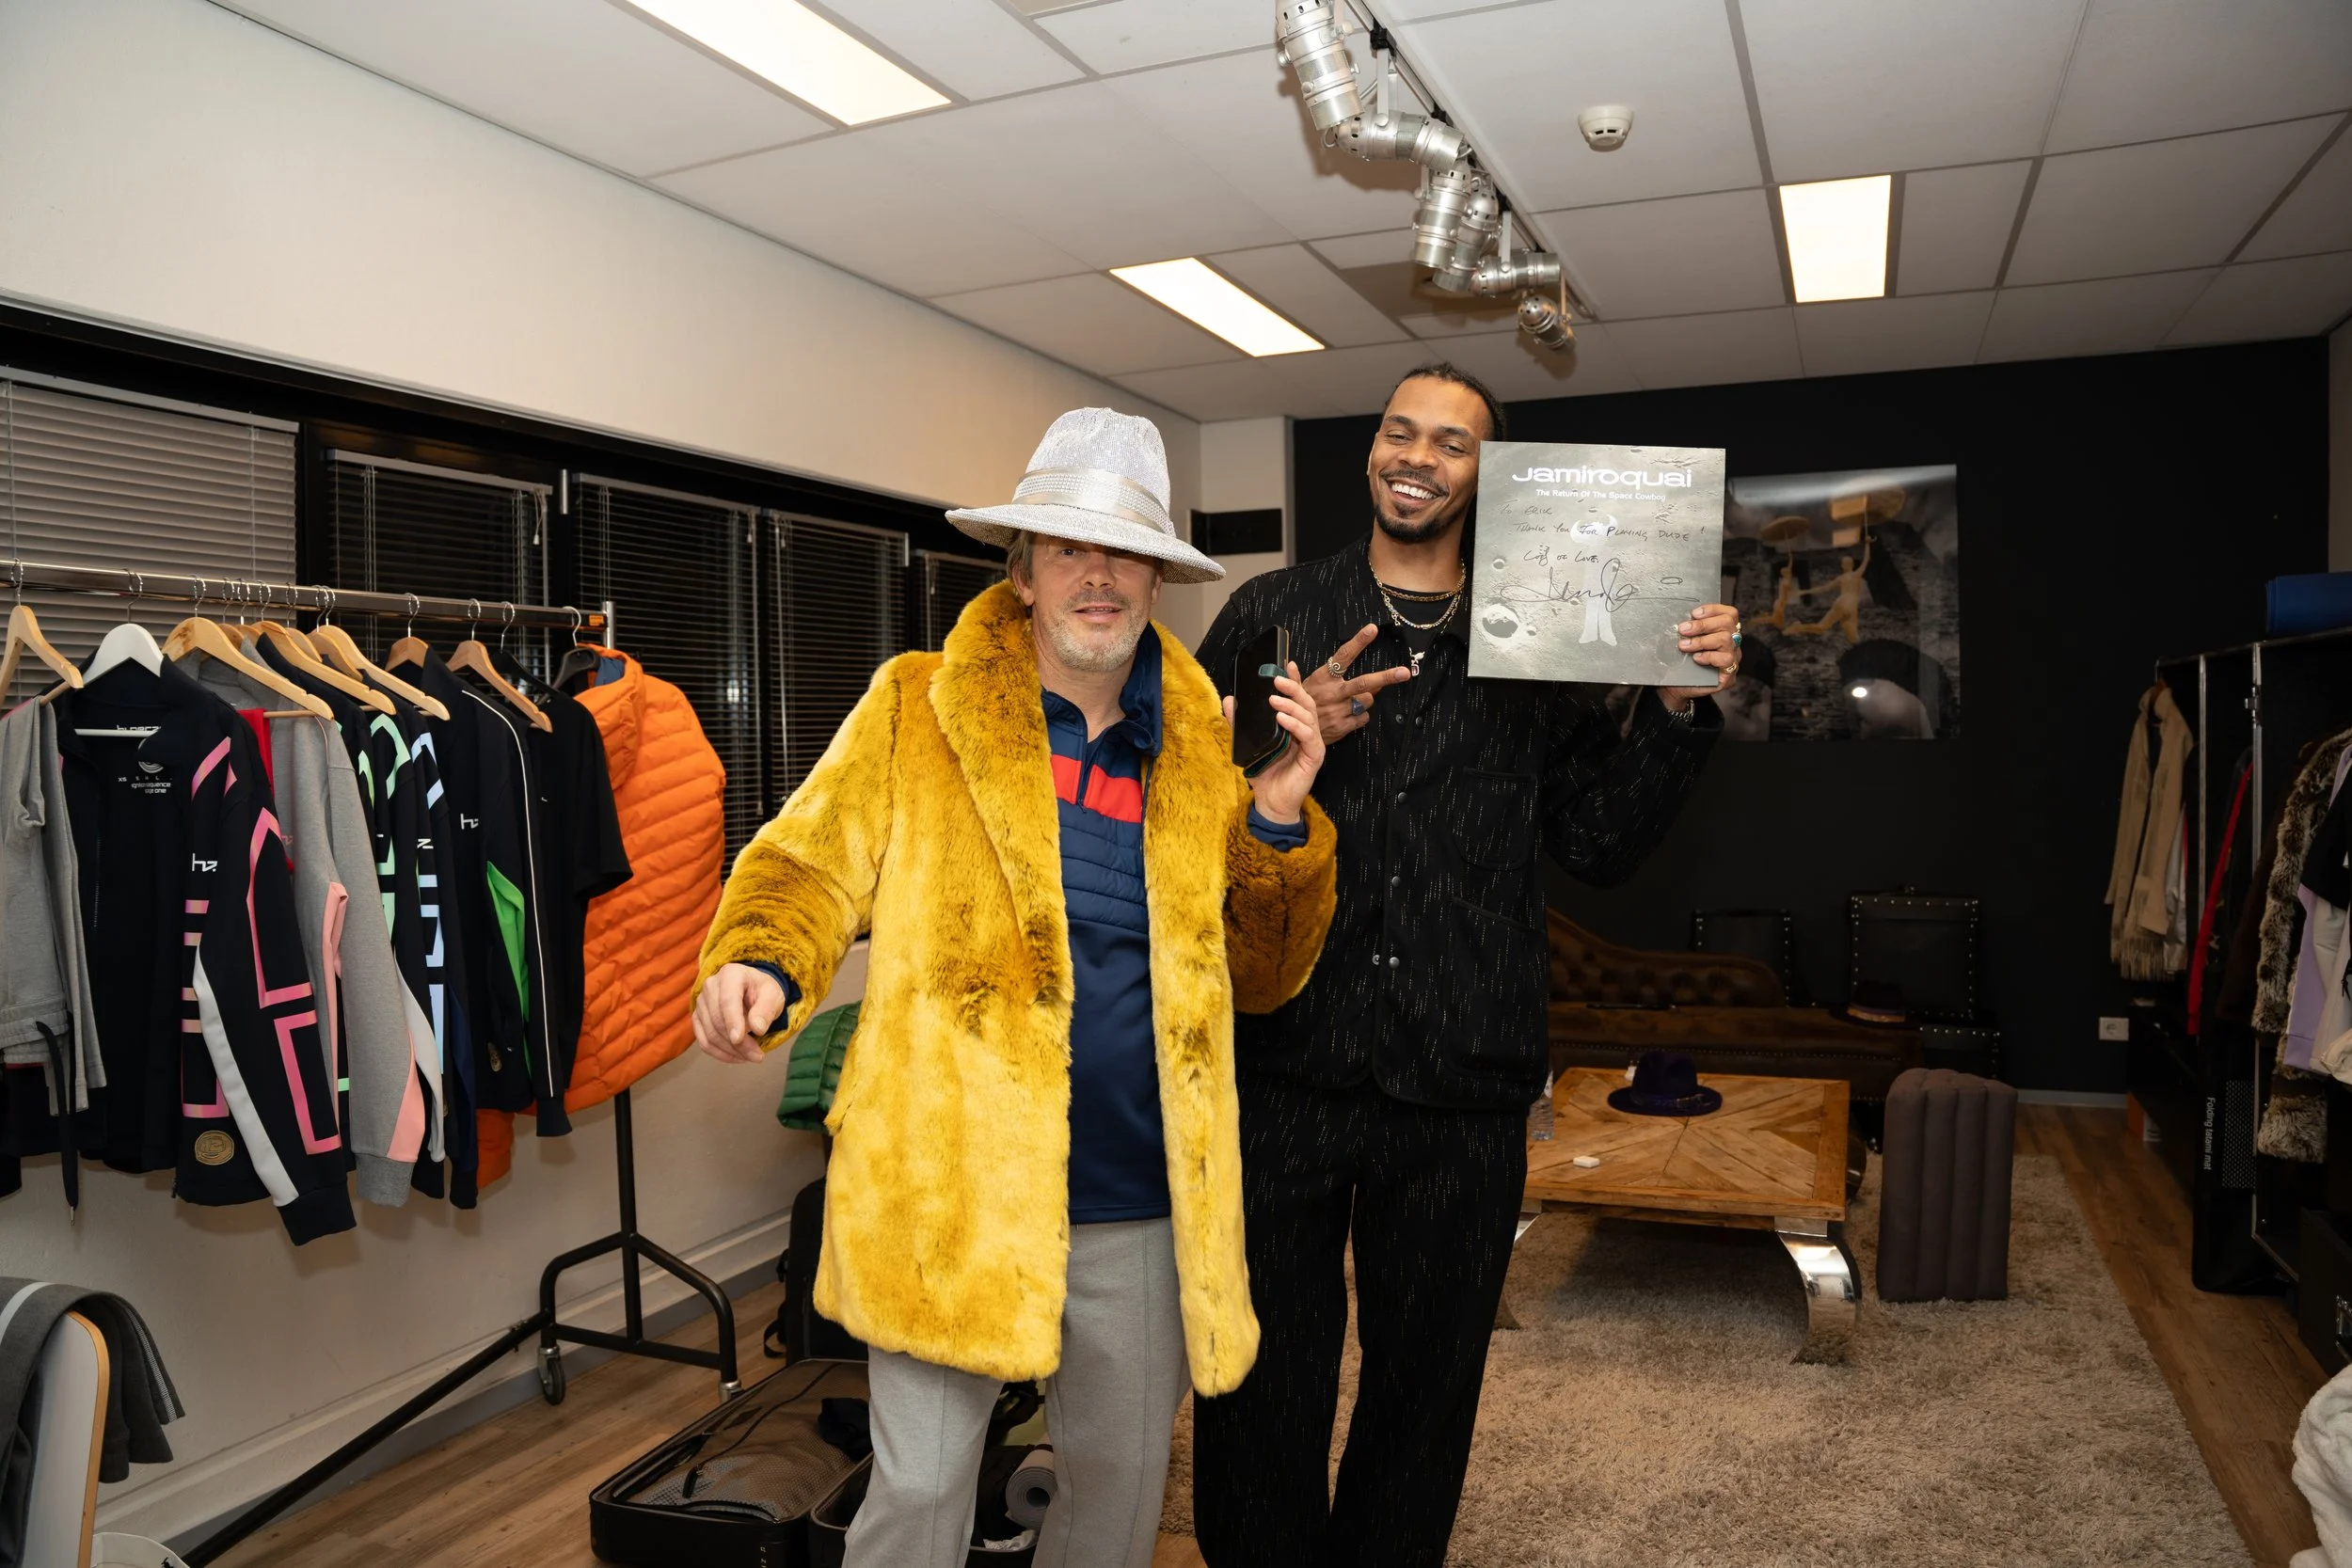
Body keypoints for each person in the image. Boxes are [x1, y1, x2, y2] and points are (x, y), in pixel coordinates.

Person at [690, 407, 1340, 1568]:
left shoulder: (1201, 747)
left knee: (1115, 1487)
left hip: (1140, 1193)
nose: (1099, 574)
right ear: (1025, 568)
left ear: (1156, 578)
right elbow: (804, 860)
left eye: (1125, 550)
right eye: (1067, 546)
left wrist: (1279, 816)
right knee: (924, 1485)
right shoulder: (916, 706)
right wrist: (758, 956)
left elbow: (1264, 976)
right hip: (949, 1185)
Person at [1189, 363, 1740, 1568]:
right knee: (1254, 1373)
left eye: (1451, 441)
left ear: (1483, 472)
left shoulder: (1536, 633)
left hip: (1463, 1076)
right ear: (1371, 450)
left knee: (1426, 1381)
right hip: (1283, 1056)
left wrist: (1676, 705)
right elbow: (1184, 832)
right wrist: (1283, 759)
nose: (1418, 455)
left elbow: (1598, 843)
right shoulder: (1270, 616)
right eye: (1400, 431)